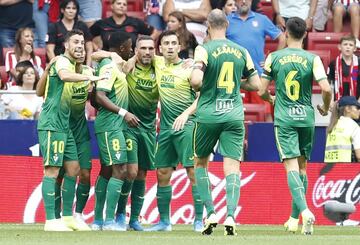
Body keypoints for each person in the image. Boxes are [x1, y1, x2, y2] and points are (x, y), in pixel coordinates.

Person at [190, 9, 261, 236]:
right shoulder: (242, 51)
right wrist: (235, 84)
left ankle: (210, 213)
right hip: (233, 115)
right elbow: (256, 84)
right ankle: (231, 216)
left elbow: (195, 81)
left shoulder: (204, 48)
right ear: (227, 26)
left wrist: (204, 81)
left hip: (209, 114)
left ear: (208, 26)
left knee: (200, 163)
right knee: (232, 167)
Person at [258, 17, 332, 235]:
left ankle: (305, 211)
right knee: (302, 168)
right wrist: (326, 109)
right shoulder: (313, 59)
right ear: (306, 34)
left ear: (285, 33)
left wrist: (271, 99)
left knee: (290, 168)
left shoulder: (274, 57)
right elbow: (326, 89)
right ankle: (293, 218)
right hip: (306, 118)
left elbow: (261, 90)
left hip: (285, 118)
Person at [37, 29, 103, 231]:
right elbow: (64, 77)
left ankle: (67, 217)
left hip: (67, 126)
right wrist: (92, 79)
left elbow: (42, 90)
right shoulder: (61, 62)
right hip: (52, 123)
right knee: (52, 170)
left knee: (73, 169)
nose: (80, 46)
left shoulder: (79, 68)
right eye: (75, 42)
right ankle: (51, 220)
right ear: (66, 45)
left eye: (82, 42)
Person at [145, 30, 204, 232]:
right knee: (162, 172)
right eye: (166, 44)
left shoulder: (189, 69)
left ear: (179, 47)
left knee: (192, 171)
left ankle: (198, 221)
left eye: (173, 43)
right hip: (167, 129)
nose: (170, 46)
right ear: (160, 49)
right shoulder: (158, 63)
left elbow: (203, 97)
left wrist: (186, 114)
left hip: (188, 126)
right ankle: (164, 222)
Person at [91, 31, 140, 231]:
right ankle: (109, 221)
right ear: (122, 48)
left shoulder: (114, 65)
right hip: (110, 125)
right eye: (130, 46)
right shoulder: (110, 67)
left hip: (113, 125)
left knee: (107, 169)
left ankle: (97, 220)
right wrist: (123, 112)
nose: (130, 49)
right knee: (120, 169)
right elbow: (100, 96)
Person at [114, 35, 159, 231]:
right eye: (143, 48)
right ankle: (119, 215)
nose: (147, 52)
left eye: (150, 48)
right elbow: (100, 55)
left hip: (149, 128)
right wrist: (128, 60)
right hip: (129, 127)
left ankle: (134, 220)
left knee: (141, 173)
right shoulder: (128, 66)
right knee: (130, 171)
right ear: (136, 50)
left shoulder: (160, 68)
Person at [226, 0, 285, 122]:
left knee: (265, 112)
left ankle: (269, 139)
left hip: (258, 74)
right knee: (235, 115)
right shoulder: (226, 21)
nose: (243, 1)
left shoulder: (262, 19)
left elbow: (282, 38)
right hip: (233, 76)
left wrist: (272, 60)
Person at [90, 0, 158, 50]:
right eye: (119, 3)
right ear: (112, 6)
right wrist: (96, 49)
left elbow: (155, 32)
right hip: (107, 58)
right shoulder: (102, 23)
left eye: (124, 4)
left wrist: (144, 44)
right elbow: (87, 36)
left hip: (132, 58)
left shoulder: (135, 22)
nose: (122, 6)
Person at [46, 0, 93, 66]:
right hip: (60, 64)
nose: (71, 11)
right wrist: (57, 67)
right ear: (62, 10)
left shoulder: (82, 26)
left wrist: (87, 67)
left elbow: (89, 48)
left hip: (80, 65)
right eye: (68, 8)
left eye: (74, 8)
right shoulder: (54, 26)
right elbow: (49, 50)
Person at [325, 96, 360, 163]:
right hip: (346, 169)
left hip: (329, 168)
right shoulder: (354, 126)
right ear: (348, 109)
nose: (359, 111)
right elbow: (359, 156)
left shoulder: (332, 125)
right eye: (357, 108)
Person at [327, 35, 360, 101]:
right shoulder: (333, 63)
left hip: (356, 101)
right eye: (345, 44)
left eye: (351, 45)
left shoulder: (359, 63)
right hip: (338, 100)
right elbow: (329, 84)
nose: (348, 47)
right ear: (339, 47)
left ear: (355, 48)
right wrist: (330, 101)